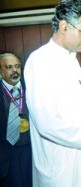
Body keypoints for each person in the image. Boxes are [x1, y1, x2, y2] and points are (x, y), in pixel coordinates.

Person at [24, 0, 81, 186]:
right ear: (64, 26)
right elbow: (48, 123)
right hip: (63, 169)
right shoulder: (41, 61)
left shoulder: (72, 61)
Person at [0, 53, 32, 187]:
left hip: (31, 151)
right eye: (9, 67)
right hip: (6, 156)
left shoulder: (31, 88)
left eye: (17, 66)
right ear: (1, 71)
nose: (15, 70)